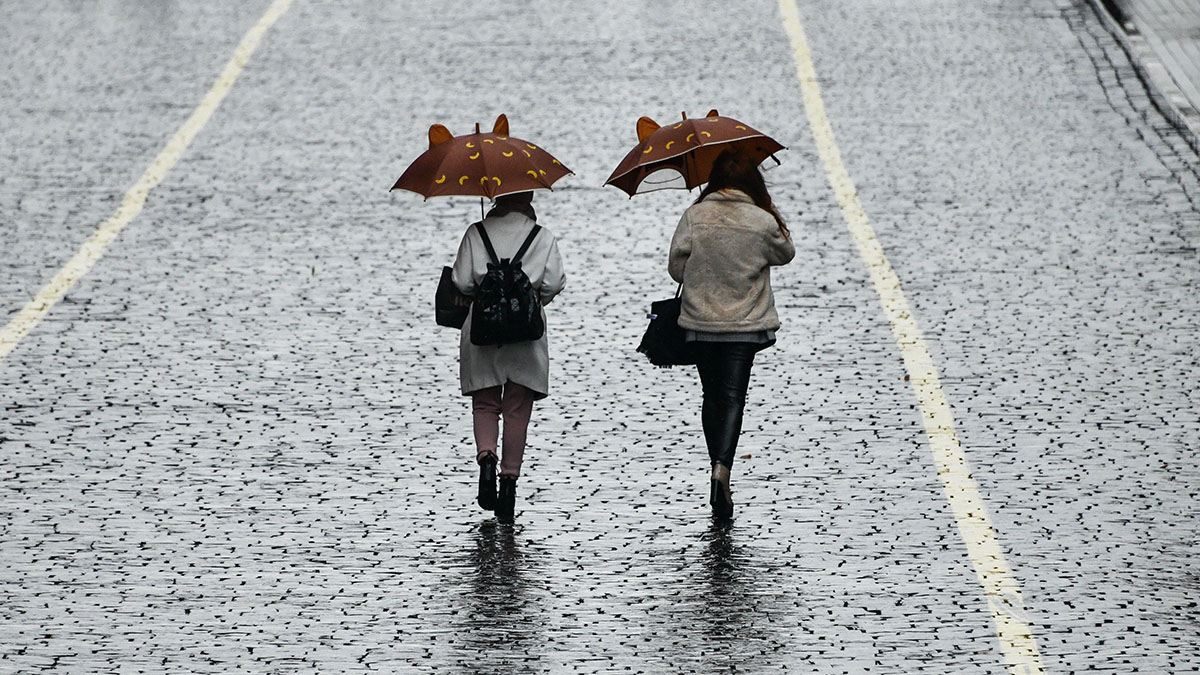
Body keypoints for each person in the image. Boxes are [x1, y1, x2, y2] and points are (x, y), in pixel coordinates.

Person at [668, 150, 795, 519]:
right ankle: (724, 468)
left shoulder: (695, 215)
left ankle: (714, 463)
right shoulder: (760, 220)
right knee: (734, 395)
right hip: (744, 324)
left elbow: (677, 268)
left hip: (701, 322)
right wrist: (772, 214)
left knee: (712, 395)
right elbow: (785, 253)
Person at [451, 191, 566, 524]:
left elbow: (460, 280)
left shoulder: (477, 232)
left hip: (483, 328)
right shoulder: (542, 236)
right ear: (529, 196)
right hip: (526, 334)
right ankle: (509, 483)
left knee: (485, 402)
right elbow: (554, 282)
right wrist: (529, 300)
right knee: (517, 407)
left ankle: (486, 459)